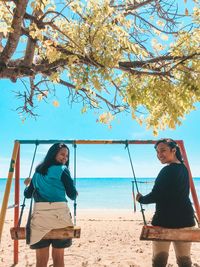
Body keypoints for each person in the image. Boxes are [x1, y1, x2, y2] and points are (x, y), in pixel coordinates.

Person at [136, 138, 195, 267]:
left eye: (163, 150)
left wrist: (141, 199)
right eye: (157, 152)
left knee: (159, 261)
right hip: (186, 221)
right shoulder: (184, 169)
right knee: (184, 261)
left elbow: (156, 195)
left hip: (164, 223)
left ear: (173, 150)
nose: (159, 155)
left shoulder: (167, 170)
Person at [24, 143, 77, 267]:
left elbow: (27, 194)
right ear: (53, 154)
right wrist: (74, 190)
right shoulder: (63, 170)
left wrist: (28, 184)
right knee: (58, 259)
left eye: (67, 156)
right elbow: (72, 195)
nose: (65, 158)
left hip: (40, 221)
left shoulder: (37, 174)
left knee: (41, 261)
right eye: (62, 154)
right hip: (60, 219)